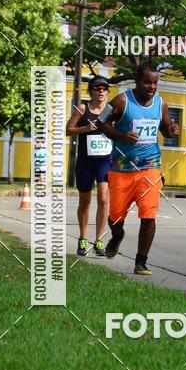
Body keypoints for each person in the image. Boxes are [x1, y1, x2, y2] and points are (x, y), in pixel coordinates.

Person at [97, 63, 179, 275]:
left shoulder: (160, 104)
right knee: (115, 217)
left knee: (149, 214)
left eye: (155, 83)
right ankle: (117, 235)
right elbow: (100, 123)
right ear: (137, 80)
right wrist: (121, 136)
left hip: (150, 166)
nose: (152, 87)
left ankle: (141, 261)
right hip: (122, 168)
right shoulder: (122, 101)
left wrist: (172, 131)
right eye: (147, 82)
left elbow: (166, 129)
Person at [66, 76, 113, 256]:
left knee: (103, 199)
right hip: (86, 160)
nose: (101, 91)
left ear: (107, 91)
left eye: (104, 88)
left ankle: (99, 240)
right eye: (97, 88)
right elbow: (68, 130)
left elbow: (122, 129)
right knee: (84, 202)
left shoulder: (111, 110)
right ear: (91, 91)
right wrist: (84, 129)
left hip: (105, 160)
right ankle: (83, 238)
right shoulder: (83, 108)